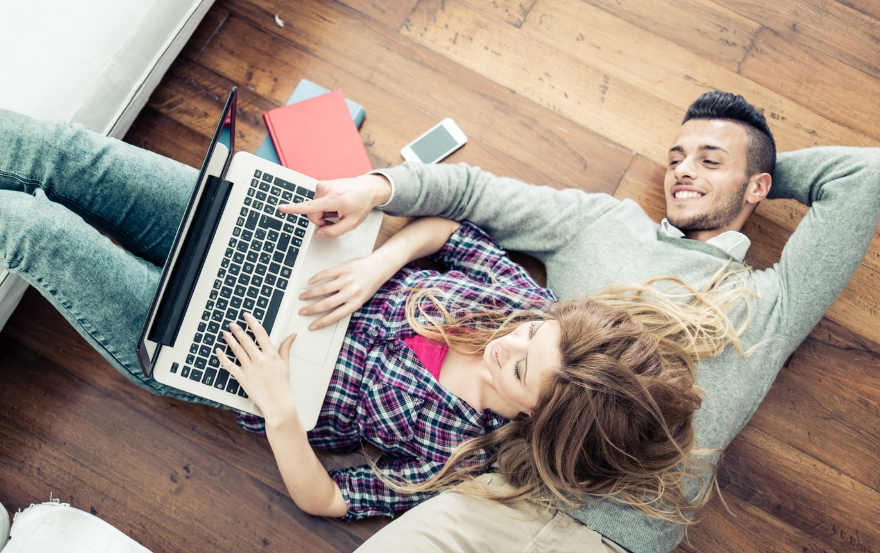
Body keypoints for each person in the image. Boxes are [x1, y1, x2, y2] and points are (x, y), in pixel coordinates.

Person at [0, 106, 745, 523]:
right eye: (528, 333)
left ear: (535, 419)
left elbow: (326, 497)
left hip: (222, 353)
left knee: (36, 230)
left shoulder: (463, 457)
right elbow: (451, 231)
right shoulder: (523, 307)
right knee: (66, 155)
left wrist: (280, 409)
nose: (507, 342)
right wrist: (377, 263)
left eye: (519, 366)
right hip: (270, 246)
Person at [282, 91, 880, 553]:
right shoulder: (604, 224)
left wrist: (759, 168)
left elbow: (863, 177)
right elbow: (473, 196)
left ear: (758, 185)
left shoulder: (772, 302)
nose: (682, 170)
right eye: (675, 157)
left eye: (708, 159)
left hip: (613, 541)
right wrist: (379, 185)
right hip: (499, 493)